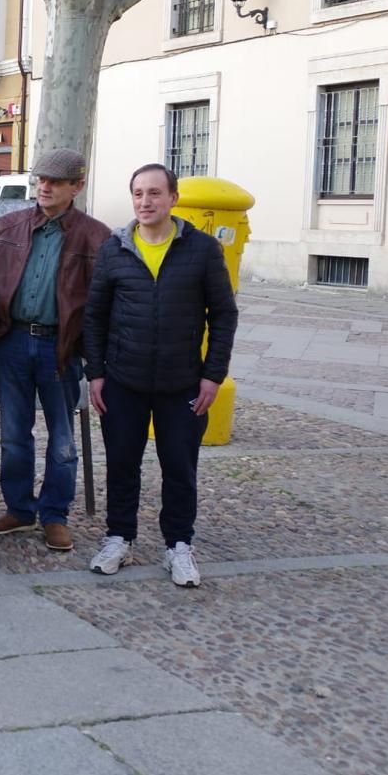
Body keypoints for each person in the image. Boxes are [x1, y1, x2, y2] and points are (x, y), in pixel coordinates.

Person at [85, 164, 238, 587]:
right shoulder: (114, 249)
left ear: (173, 198)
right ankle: (119, 538)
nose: (145, 202)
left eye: (154, 193)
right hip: (123, 380)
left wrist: (213, 375)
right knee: (122, 464)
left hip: (182, 381)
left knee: (180, 467)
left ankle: (179, 545)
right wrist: (95, 373)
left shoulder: (202, 250)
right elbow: (95, 316)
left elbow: (223, 315)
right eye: (138, 193)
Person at [0, 148, 108, 552]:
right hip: (12, 342)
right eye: (41, 179)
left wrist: (85, 350)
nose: (45, 187)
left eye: (56, 182)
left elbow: (103, 301)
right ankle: (19, 509)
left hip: (60, 347)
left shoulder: (95, 236)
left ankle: (54, 515)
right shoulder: (9, 225)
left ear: (77, 187)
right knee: (13, 435)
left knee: (63, 439)